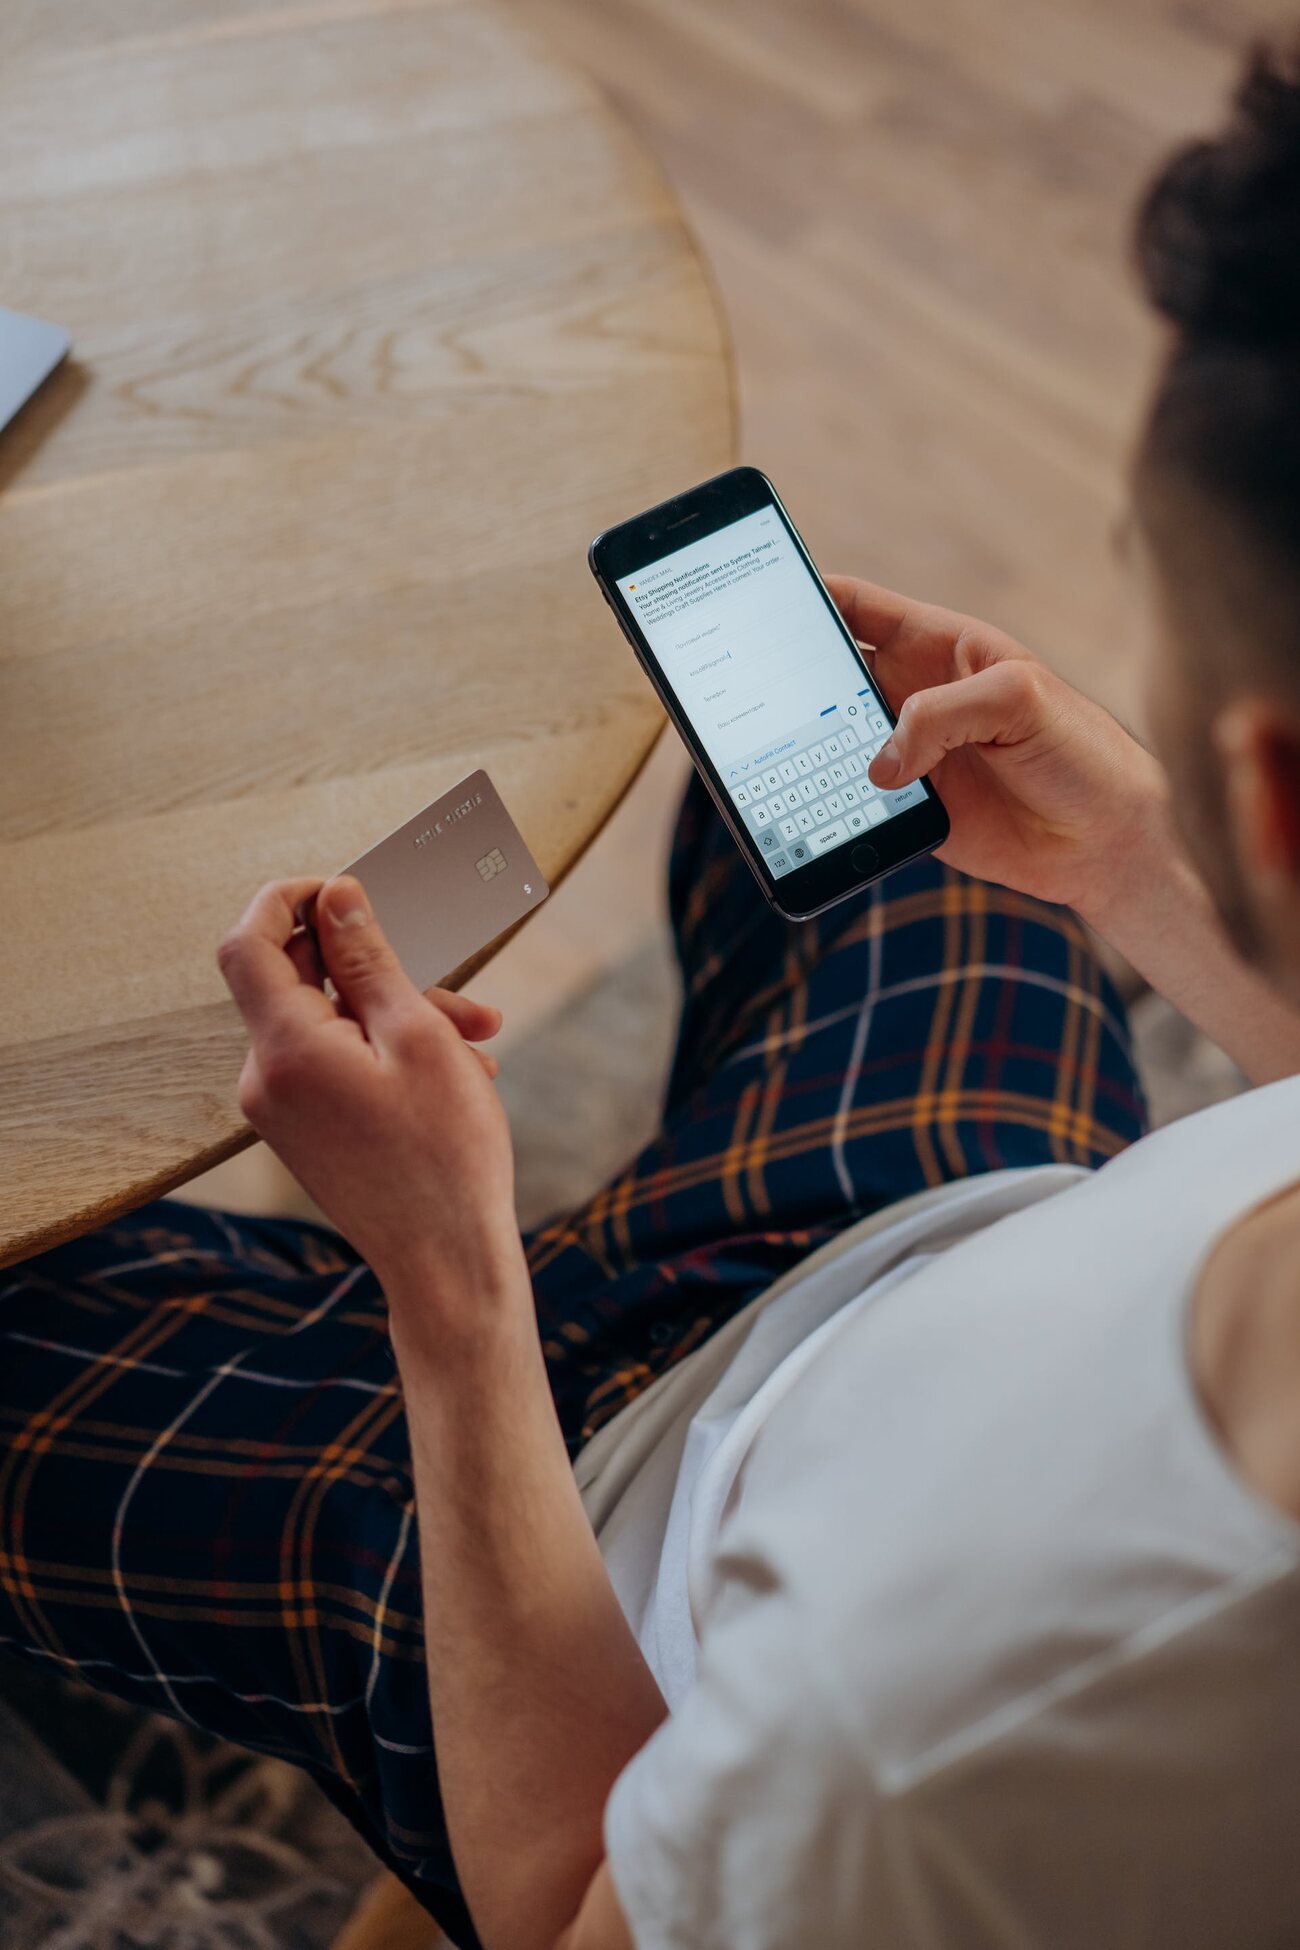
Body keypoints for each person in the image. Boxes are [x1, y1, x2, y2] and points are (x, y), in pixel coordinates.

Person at [5, 37, 1300, 1950]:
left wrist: (451, 1281)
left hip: (602, 1600)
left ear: (1278, 781)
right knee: (825, 762)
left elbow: (560, 1905)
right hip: (934, 1241)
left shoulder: (950, 1739)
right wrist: (1143, 880)